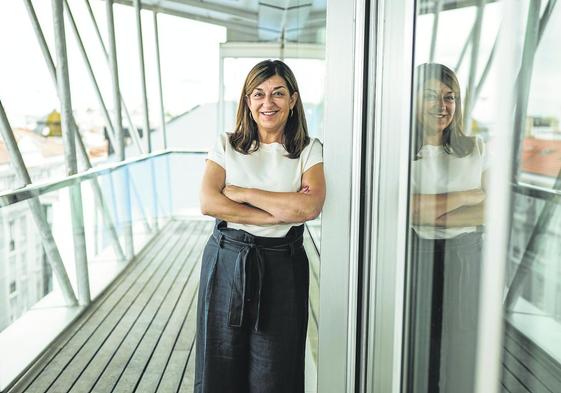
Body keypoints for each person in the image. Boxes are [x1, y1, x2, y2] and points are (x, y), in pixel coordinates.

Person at [195, 59, 325, 393]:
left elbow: (308, 207)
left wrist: (242, 194)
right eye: (259, 94)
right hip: (227, 262)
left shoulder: (309, 150)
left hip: (283, 266)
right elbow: (210, 203)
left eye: (278, 93)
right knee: (220, 365)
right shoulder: (225, 144)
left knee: (276, 370)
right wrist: (280, 211)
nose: (268, 103)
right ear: (248, 101)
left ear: (293, 100)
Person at [409, 63, 487, 393]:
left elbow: (492, 211)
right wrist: (468, 196)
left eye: (449, 96)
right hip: (418, 258)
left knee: (464, 350)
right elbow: (408, 211)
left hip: (467, 258)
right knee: (420, 351)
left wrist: (429, 209)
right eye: (431, 96)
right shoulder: (398, 154)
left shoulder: (477, 148)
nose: (442, 106)